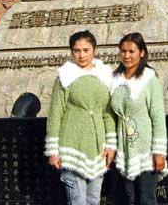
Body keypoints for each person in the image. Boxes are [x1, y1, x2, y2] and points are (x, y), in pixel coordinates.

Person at [45, 30, 117, 205]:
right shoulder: (65, 76)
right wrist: (53, 151)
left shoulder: (104, 75)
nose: (81, 55)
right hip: (72, 146)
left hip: (98, 148)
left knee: (93, 200)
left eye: (86, 50)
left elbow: (108, 113)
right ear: (71, 52)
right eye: (77, 50)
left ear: (94, 50)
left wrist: (111, 146)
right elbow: (55, 114)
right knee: (77, 200)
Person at [110, 32, 168, 205]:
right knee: (128, 198)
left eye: (131, 51)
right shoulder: (114, 80)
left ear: (142, 53)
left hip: (146, 150)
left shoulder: (150, 80)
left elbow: (158, 118)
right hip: (124, 150)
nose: (126, 56)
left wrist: (159, 153)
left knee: (146, 199)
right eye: (123, 51)